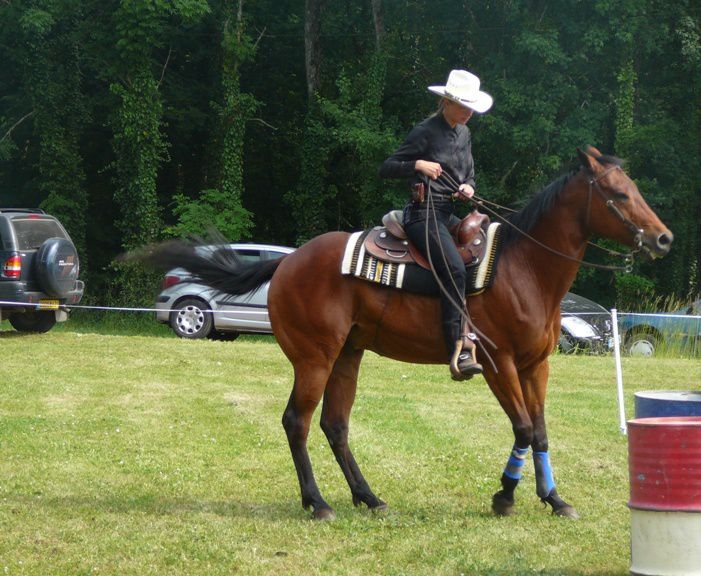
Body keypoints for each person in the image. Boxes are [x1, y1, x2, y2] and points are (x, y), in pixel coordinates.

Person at [378, 69, 493, 381]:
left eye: (472, 107)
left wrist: (468, 187)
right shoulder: (424, 131)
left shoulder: (465, 134)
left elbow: (468, 174)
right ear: (446, 102)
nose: (469, 112)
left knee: (486, 251)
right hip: (421, 214)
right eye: (463, 105)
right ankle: (456, 346)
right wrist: (416, 164)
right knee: (455, 268)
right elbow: (386, 168)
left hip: (447, 214)